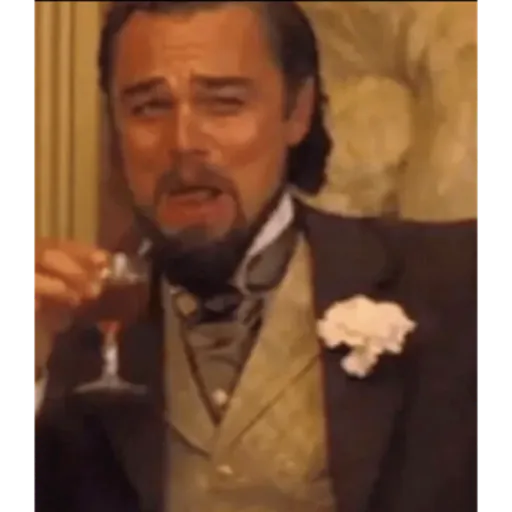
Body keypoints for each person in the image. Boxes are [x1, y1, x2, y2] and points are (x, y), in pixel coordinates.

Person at [32, 2, 478, 512]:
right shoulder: (70, 331)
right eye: (149, 107)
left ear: (297, 111)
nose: (184, 143)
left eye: (223, 103)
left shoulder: (454, 283)